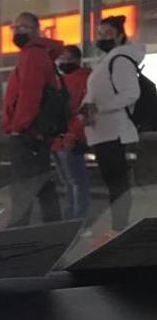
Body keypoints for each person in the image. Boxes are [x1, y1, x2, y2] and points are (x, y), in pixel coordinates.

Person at [81, 15, 144, 237]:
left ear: (119, 35)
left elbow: (130, 93)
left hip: (113, 132)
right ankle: (118, 226)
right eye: (99, 34)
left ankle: (120, 227)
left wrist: (99, 108)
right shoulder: (108, 59)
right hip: (103, 132)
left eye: (107, 34)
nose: (102, 38)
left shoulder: (120, 59)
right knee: (113, 183)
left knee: (117, 183)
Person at [1, 11, 63, 228]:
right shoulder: (39, 54)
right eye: (15, 27)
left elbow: (29, 94)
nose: (17, 31)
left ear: (36, 30)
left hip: (28, 133)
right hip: (37, 131)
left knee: (22, 187)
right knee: (42, 183)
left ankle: (18, 234)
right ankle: (55, 228)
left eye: (23, 27)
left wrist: (19, 126)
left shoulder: (32, 55)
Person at [50, 45, 91, 223]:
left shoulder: (83, 80)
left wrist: (73, 134)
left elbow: (84, 111)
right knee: (71, 182)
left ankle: (77, 219)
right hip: (61, 138)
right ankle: (74, 218)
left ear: (77, 59)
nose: (63, 62)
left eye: (67, 58)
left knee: (74, 182)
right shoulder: (63, 80)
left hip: (67, 138)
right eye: (62, 58)